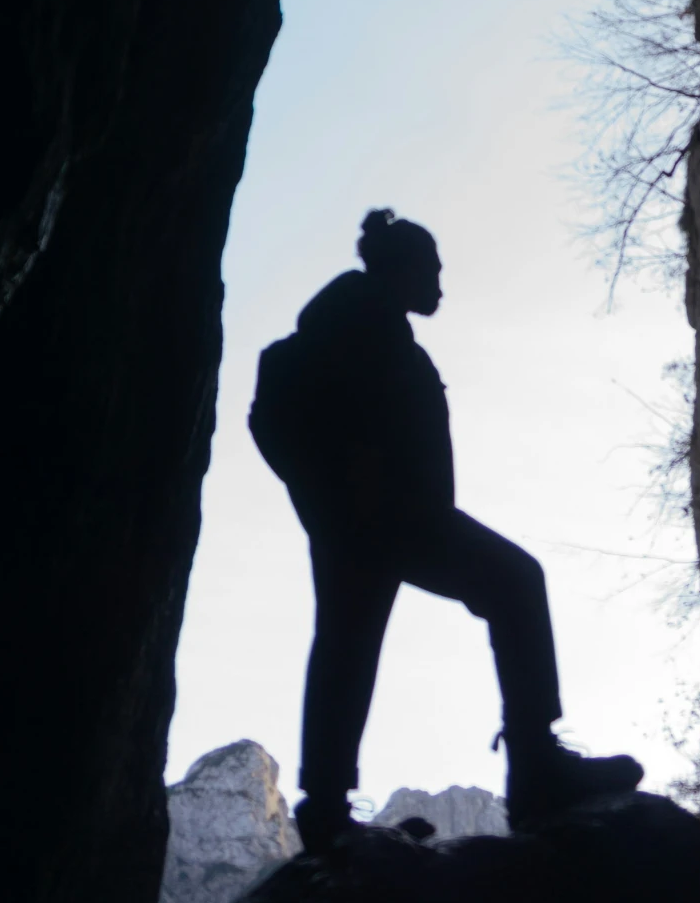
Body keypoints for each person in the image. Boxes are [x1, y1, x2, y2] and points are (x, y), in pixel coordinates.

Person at [250, 206, 644, 852]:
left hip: (364, 523)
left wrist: (329, 506)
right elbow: (286, 426)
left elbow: (274, 423)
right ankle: (536, 768)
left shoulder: (363, 328)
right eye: (431, 269)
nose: (439, 284)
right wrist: (349, 499)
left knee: (346, 647)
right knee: (514, 583)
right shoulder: (360, 328)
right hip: (394, 521)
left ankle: (324, 810)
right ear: (401, 269)